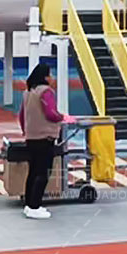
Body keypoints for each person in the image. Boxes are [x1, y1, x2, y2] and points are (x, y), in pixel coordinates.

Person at [17, 63, 74, 220]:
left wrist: (26, 131)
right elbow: (51, 113)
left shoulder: (27, 92)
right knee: (43, 173)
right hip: (45, 138)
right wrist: (64, 117)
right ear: (45, 77)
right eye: (50, 74)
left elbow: (21, 116)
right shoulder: (46, 92)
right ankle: (35, 206)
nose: (52, 77)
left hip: (31, 137)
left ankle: (29, 205)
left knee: (33, 172)